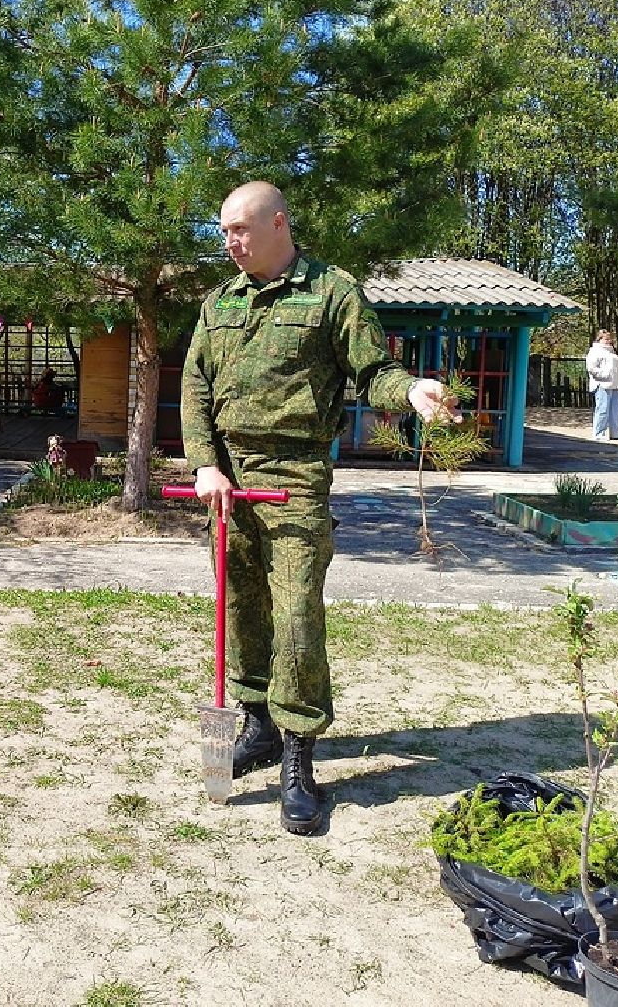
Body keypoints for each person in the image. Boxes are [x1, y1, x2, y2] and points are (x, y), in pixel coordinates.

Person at [180, 181, 458, 836]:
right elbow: (195, 383)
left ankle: (298, 756)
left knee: (298, 617)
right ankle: (256, 726)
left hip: (296, 480)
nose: (229, 243)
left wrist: (411, 389)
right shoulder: (220, 303)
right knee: (240, 607)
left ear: (278, 224)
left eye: (240, 230)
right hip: (229, 483)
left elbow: (372, 372)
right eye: (223, 231)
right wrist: (205, 464)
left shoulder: (331, 293)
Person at [585, 330, 618, 441]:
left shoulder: (612, 352)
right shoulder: (595, 351)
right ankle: (599, 433)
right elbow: (591, 368)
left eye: (609, 338)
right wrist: (605, 375)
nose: (608, 341)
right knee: (602, 409)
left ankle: (615, 433)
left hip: (615, 385)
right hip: (602, 384)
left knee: (615, 410)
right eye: (606, 338)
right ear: (599, 339)